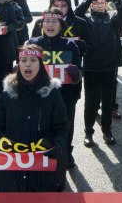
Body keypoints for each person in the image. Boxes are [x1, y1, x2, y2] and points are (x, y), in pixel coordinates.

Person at [0, 45, 69, 192]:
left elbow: (61, 128)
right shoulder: (6, 95)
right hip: (11, 174)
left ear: (41, 65)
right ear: (18, 64)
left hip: (42, 173)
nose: (27, 64)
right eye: (23, 60)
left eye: (33, 60)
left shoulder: (53, 94)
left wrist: (58, 146)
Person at [27, 11, 84, 173]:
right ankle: (40, 158)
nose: (50, 25)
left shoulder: (70, 46)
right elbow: (25, 70)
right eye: (47, 21)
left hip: (64, 97)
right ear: (41, 24)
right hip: (38, 97)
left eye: (54, 22)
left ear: (61, 25)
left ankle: (64, 156)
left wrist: (77, 74)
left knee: (64, 129)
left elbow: (78, 73)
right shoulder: (33, 43)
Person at [77, 0, 122, 147]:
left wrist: (119, 3)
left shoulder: (113, 18)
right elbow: (75, 14)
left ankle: (107, 130)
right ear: (92, 5)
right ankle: (88, 132)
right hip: (91, 66)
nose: (100, 6)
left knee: (107, 101)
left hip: (108, 66)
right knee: (90, 101)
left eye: (103, 3)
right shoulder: (86, 19)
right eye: (96, 3)